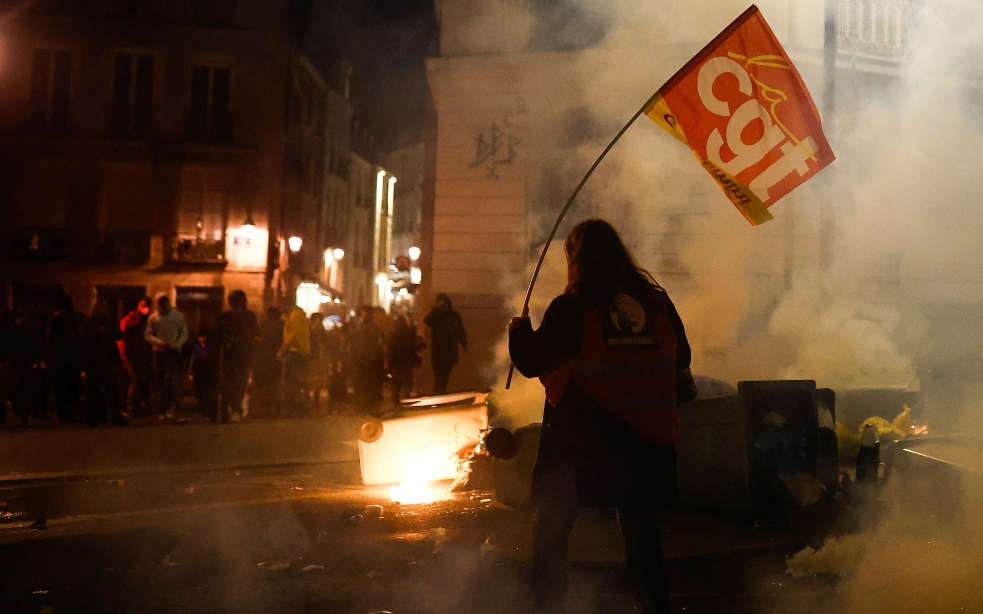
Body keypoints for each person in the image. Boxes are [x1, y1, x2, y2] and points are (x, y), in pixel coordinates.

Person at [508, 219, 697, 614]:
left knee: (552, 532)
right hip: (649, 444)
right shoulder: (657, 302)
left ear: (576, 259)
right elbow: (682, 358)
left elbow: (531, 360)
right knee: (643, 539)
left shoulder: (574, 306)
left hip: (584, 447)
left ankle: (548, 607)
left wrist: (519, 331)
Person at [79, 299, 128, 426]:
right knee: (94, 389)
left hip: (107, 359)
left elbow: (118, 335)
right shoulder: (89, 322)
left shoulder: (108, 322)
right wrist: (96, 334)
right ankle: (93, 417)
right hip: (94, 359)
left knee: (111, 389)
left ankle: (114, 416)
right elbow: (82, 338)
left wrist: (106, 331)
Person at [215, 290, 259, 423]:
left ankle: (235, 408)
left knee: (240, 383)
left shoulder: (250, 316)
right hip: (229, 356)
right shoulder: (225, 317)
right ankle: (226, 409)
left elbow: (255, 335)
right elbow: (218, 336)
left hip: (243, 355)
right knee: (227, 384)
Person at [145, 293, 189, 420]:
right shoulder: (153, 318)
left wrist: (177, 344)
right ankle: (161, 407)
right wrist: (160, 343)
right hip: (159, 352)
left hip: (173, 352)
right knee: (160, 380)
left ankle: (170, 406)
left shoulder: (177, 316)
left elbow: (184, 333)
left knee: (171, 380)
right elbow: (148, 335)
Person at [47, 293, 85, 422]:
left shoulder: (57, 319)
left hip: (60, 357)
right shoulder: (80, 317)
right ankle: (71, 410)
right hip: (75, 357)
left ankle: (62, 412)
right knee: (73, 384)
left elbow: (52, 339)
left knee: (60, 385)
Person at [424, 293, 467, 394]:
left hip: (449, 352)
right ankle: (438, 394)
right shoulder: (436, 316)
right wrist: (436, 309)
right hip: (439, 352)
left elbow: (460, 331)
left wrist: (464, 343)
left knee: (444, 377)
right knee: (439, 377)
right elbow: (428, 321)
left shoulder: (454, 316)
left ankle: (440, 393)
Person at [119, 296, 152, 417]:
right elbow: (123, 336)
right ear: (138, 305)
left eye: (148, 305)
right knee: (134, 378)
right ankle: (129, 406)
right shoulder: (130, 319)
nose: (147, 308)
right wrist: (124, 353)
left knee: (134, 380)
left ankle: (132, 405)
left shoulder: (144, 320)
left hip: (138, 354)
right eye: (144, 305)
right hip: (129, 354)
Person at [0, 309, 34, 426]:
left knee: (4, 391)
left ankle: (3, 415)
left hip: (7, 363)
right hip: (21, 362)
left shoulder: (3, 332)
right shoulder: (25, 332)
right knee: (22, 390)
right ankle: (23, 414)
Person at [349, 305, 386, 409]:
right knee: (368, 385)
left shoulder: (371, 328)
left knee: (367, 385)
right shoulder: (372, 328)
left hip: (368, 361)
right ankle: (368, 404)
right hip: (366, 361)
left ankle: (367, 405)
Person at [277, 301, 310, 414]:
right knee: (296, 380)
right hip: (300, 351)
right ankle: (298, 407)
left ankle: (294, 408)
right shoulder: (299, 315)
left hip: (294, 351)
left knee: (290, 380)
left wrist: (282, 349)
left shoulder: (294, 316)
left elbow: (293, 335)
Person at [253, 306, 283, 417]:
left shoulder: (262, 325)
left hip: (261, 359)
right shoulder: (281, 326)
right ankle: (273, 408)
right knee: (274, 384)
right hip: (276, 359)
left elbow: (256, 340)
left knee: (260, 385)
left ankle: (259, 409)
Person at [387, 308, 421, 404]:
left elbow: (391, 350)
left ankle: (397, 403)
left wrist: (389, 364)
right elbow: (413, 347)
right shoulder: (409, 334)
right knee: (407, 383)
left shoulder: (393, 335)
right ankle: (405, 399)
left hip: (397, 363)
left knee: (396, 385)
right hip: (407, 363)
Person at [190, 328, 219, 421]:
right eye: (201, 337)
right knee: (198, 390)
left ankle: (206, 408)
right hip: (199, 371)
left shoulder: (211, 348)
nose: (202, 339)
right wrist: (190, 372)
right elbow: (193, 361)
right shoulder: (196, 348)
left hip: (208, 372)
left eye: (204, 336)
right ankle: (202, 406)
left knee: (207, 391)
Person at [307, 312, 330, 412]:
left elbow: (326, 344)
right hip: (312, 358)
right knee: (311, 380)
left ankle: (316, 400)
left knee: (319, 380)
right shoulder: (309, 331)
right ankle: (309, 400)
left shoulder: (322, 332)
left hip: (321, 358)